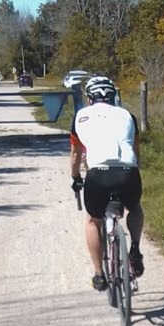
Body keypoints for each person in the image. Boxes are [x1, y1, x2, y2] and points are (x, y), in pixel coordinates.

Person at [70, 75, 145, 290]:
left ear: (89, 97)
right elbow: (136, 152)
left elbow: (75, 155)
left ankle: (99, 274)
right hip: (128, 172)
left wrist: (76, 178)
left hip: (98, 175)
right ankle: (136, 249)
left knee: (94, 221)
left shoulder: (80, 116)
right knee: (135, 207)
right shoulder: (127, 115)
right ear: (113, 95)